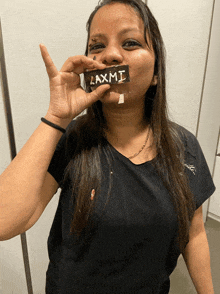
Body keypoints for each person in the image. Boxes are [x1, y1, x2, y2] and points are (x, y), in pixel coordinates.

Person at [0, 0, 216, 293]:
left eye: (130, 42)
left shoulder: (184, 147)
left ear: (155, 73)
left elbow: (194, 232)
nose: (111, 55)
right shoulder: (73, 139)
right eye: (97, 46)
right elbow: (4, 222)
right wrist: (56, 116)